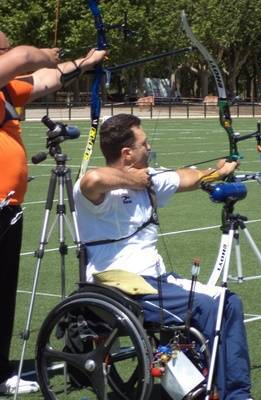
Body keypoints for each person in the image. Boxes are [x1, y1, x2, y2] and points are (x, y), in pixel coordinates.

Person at [73, 113, 253, 400]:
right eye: (144, 143)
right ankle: (231, 395)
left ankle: (219, 390)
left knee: (226, 302)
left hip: (153, 282)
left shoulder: (151, 179)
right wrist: (134, 180)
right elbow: (93, 178)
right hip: (119, 287)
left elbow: (187, 177)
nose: (149, 147)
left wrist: (218, 171)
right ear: (126, 153)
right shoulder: (96, 193)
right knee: (216, 307)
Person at [0, 30, 107, 395]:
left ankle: (0, 371)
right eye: (3, 48)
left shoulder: (8, 90)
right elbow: (25, 59)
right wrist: (43, 52)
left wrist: (85, 62)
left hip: (7, 208)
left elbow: (46, 77)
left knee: (3, 292)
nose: (9, 54)